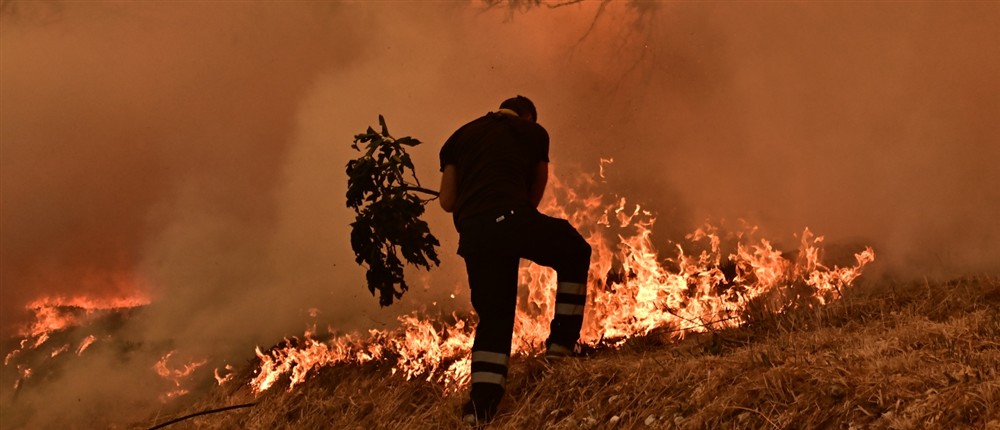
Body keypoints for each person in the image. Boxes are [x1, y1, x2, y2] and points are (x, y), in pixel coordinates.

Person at [438, 95, 592, 424]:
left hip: (473, 234)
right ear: (528, 117)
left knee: (494, 317)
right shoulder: (532, 133)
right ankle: (562, 349)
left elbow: (448, 201)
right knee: (575, 250)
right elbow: (532, 196)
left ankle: (480, 409)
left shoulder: (458, 137)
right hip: (510, 216)